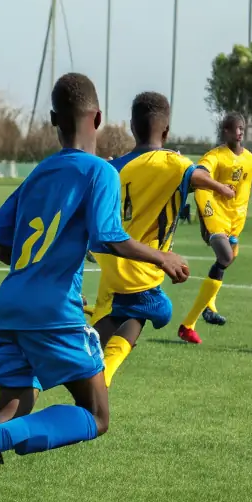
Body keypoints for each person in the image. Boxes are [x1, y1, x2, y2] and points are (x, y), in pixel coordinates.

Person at [0, 73, 190, 502]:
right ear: (98, 119)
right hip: (52, 310)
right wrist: (162, 256)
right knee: (96, 416)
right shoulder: (100, 171)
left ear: (53, 122)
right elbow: (107, 236)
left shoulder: (40, 172)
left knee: (15, 407)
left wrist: (38, 270)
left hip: (9, 306)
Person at [91, 92, 235, 386]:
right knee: (160, 309)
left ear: (132, 127)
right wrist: (222, 188)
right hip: (142, 267)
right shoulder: (174, 164)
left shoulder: (114, 168)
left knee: (110, 319)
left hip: (111, 263)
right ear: (166, 131)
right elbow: (197, 177)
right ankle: (100, 375)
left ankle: (88, 353)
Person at [178, 112, 252, 344]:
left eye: (242, 128)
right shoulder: (215, 156)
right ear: (225, 131)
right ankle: (192, 320)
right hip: (212, 209)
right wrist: (220, 188)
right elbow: (199, 176)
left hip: (234, 220)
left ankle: (197, 317)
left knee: (228, 258)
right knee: (225, 255)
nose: (239, 131)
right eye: (235, 128)